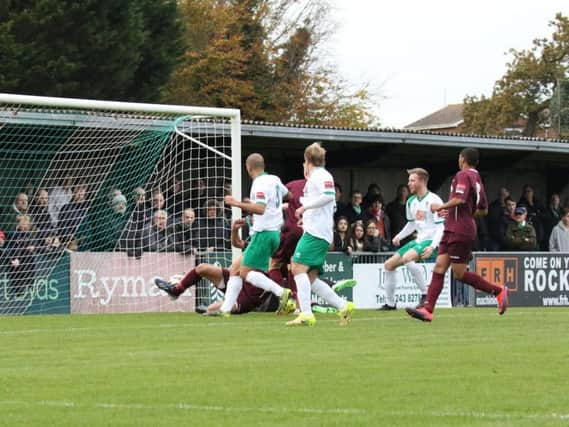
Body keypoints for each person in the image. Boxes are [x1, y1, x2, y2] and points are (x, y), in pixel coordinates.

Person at [406, 148, 509, 322]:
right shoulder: (477, 178)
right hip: (454, 227)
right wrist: (460, 213)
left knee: (459, 273)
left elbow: (460, 200)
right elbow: (483, 210)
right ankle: (428, 309)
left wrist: (440, 207)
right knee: (439, 267)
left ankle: (498, 291)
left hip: (459, 229)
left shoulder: (463, 175)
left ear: (462, 159)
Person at [154, 219, 288, 315]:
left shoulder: (277, 253)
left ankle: (215, 307)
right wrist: (234, 230)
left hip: (247, 298)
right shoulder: (258, 243)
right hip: (234, 280)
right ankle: (177, 290)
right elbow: (237, 243)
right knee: (202, 268)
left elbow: (284, 274)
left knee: (212, 309)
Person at [287, 142, 355, 327]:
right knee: (309, 277)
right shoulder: (317, 177)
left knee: (297, 268)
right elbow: (326, 206)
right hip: (316, 229)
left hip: (316, 233)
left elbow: (328, 196)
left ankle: (306, 314)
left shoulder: (322, 175)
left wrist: (303, 207)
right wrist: (306, 217)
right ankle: (343, 306)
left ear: (307, 160)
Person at [221, 153, 291, 315]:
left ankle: (281, 292)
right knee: (235, 269)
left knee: (245, 273)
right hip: (273, 233)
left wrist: (235, 203)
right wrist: (281, 207)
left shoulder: (259, 183)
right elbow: (288, 194)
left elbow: (260, 208)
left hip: (264, 233)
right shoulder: (274, 179)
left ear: (248, 167)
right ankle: (225, 309)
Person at [379, 168, 445, 311]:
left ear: (422, 181)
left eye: (412, 180)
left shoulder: (435, 200)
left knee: (408, 258)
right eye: (409, 180)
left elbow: (441, 227)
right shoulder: (411, 201)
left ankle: (425, 294)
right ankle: (390, 304)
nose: (409, 183)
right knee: (389, 265)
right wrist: (399, 236)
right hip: (418, 240)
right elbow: (412, 223)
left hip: (431, 240)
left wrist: (433, 246)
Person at [57, 183, 90, 251]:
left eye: (82, 192)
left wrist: (81, 240)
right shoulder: (66, 208)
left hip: (83, 245)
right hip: (69, 244)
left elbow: (87, 230)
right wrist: (71, 240)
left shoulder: (85, 211)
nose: (80, 195)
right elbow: (61, 227)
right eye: (78, 191)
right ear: (73, 193)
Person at [518, 184, 545, 250]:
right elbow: (520, 217)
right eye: (526, 192)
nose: (527, 193)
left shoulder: (538, 202)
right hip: (526, 231)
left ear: (533, 192)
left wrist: (536, 215)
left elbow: (544, 214)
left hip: (538, 231)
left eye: (529, 191)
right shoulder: (521, 203)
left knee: (537, 251)